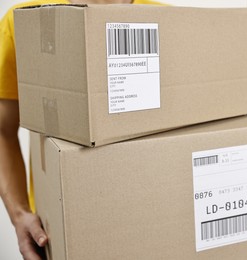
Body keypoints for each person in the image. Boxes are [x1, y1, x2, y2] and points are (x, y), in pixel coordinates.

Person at [0, 0, 162, 259]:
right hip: (58, 237)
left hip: (153, 230)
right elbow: (2, 130)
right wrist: (19, 216)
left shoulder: (165, 19)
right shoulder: (24, 21)